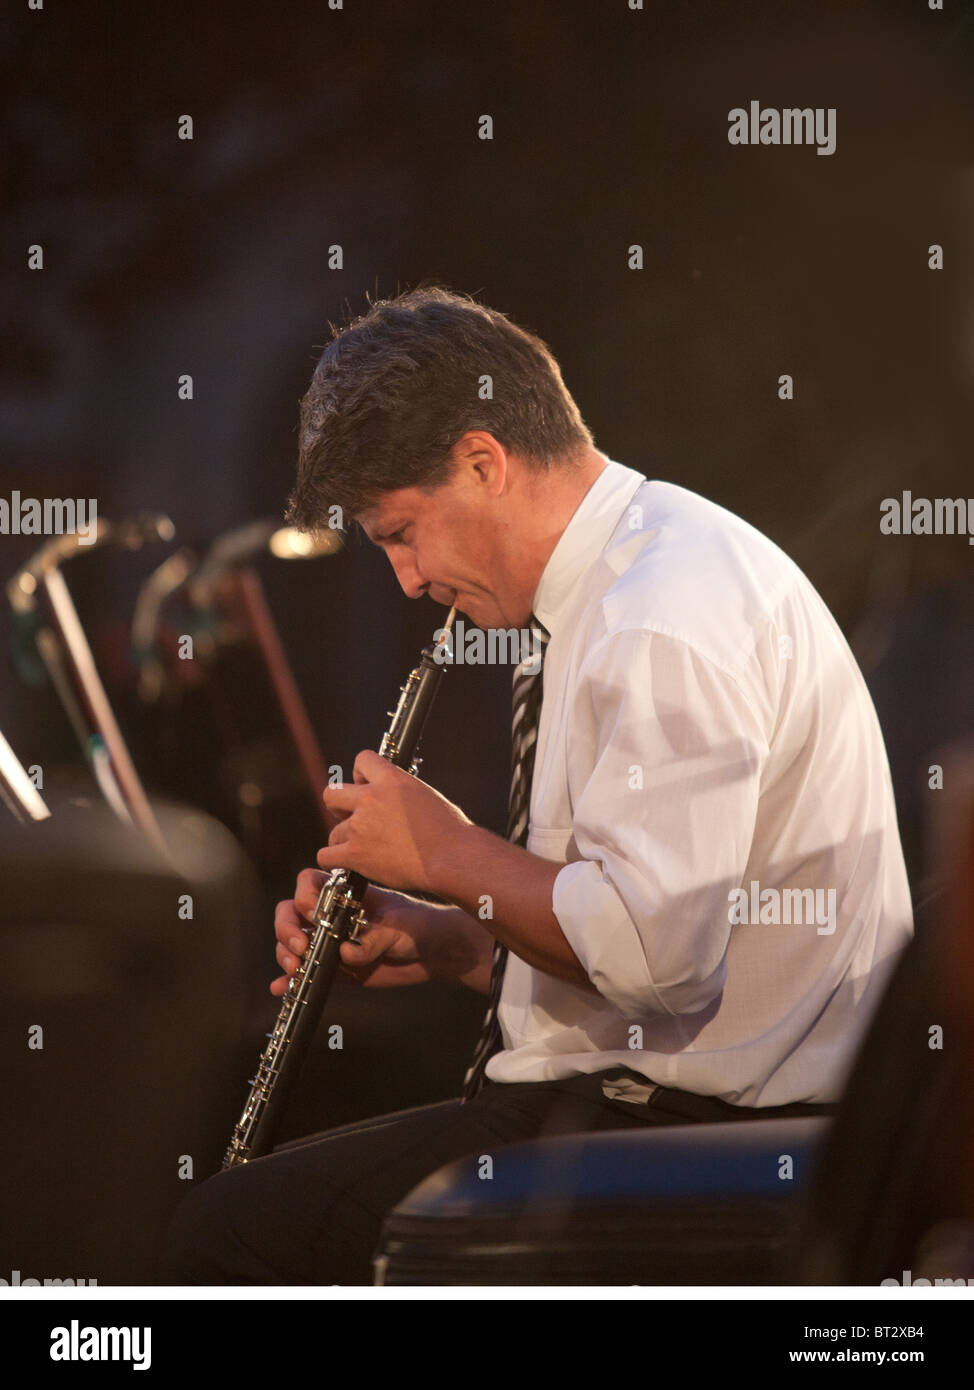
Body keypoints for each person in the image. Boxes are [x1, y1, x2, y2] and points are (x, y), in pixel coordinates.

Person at [164, 286, 913, 1284]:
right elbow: (621, 939)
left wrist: (443, 850)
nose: (406, 578)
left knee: (226, 1233)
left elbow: (654, 955)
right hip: (657, 1103)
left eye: (400, 531)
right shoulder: (609, 588)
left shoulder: (656, 610)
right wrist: (442, 936)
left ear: (483, 463)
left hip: (702, 1128)